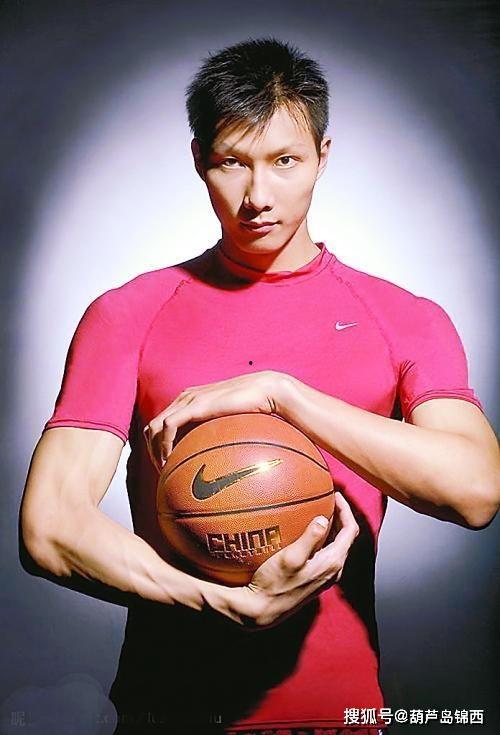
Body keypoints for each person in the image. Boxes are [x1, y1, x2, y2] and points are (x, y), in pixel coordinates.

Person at [20, 37, 499, 735]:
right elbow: (49, 526)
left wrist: (283, 394)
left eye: (285, 161)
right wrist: (222, 603)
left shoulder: (402, 318)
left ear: (323, 157)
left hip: (340, 720)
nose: (257, 197)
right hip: (169, 716)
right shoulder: (128, 314)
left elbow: (477, 490)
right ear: (198, 160)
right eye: (231, 162)